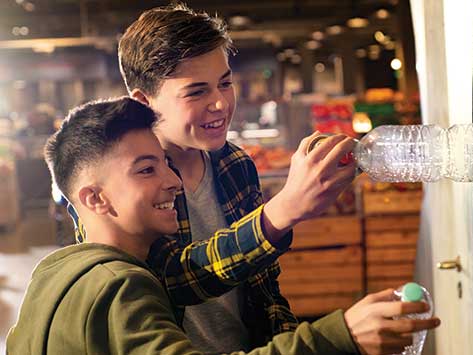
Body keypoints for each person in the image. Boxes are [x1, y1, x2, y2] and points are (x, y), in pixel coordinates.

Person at [6, 97, 440, 354]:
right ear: (95, 199)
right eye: (145, 170)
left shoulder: (53, 272)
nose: (172, 182)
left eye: (165, 165)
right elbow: (190, 273)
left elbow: (264, 293)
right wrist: (340, 334)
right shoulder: (120, 286)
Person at [68, 3, 361, 352]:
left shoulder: (236, 164)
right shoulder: (119, 184)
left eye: (224, 84)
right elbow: (168, 280)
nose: (220, 104)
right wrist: (283, 210)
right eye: (197, 91)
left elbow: (265, 290)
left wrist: (288, 339)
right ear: (144, 102)